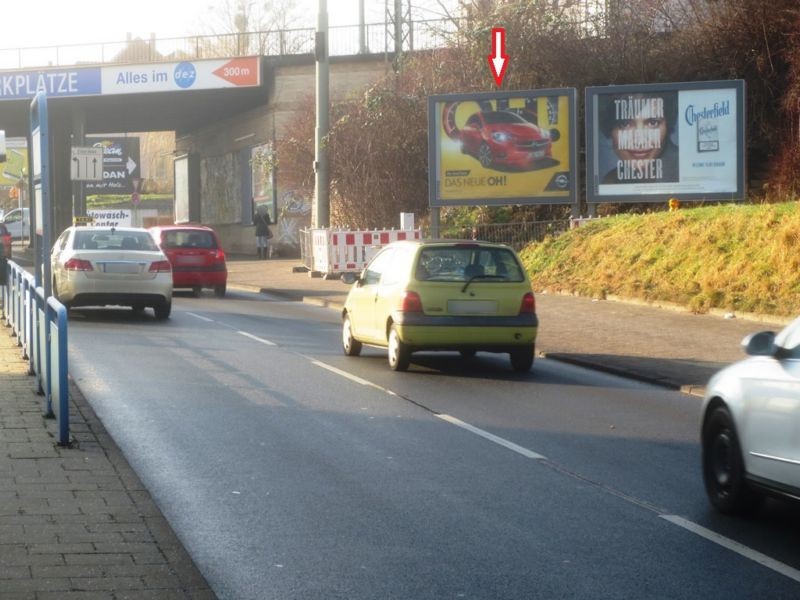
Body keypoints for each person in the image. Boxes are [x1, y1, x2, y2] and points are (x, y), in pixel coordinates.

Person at [600, 92, 679, 185]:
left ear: (667, 125)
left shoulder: (685, 171)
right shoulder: (611, 181)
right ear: (609, 128)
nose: (640, 141)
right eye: (625, 124)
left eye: (653, 123)